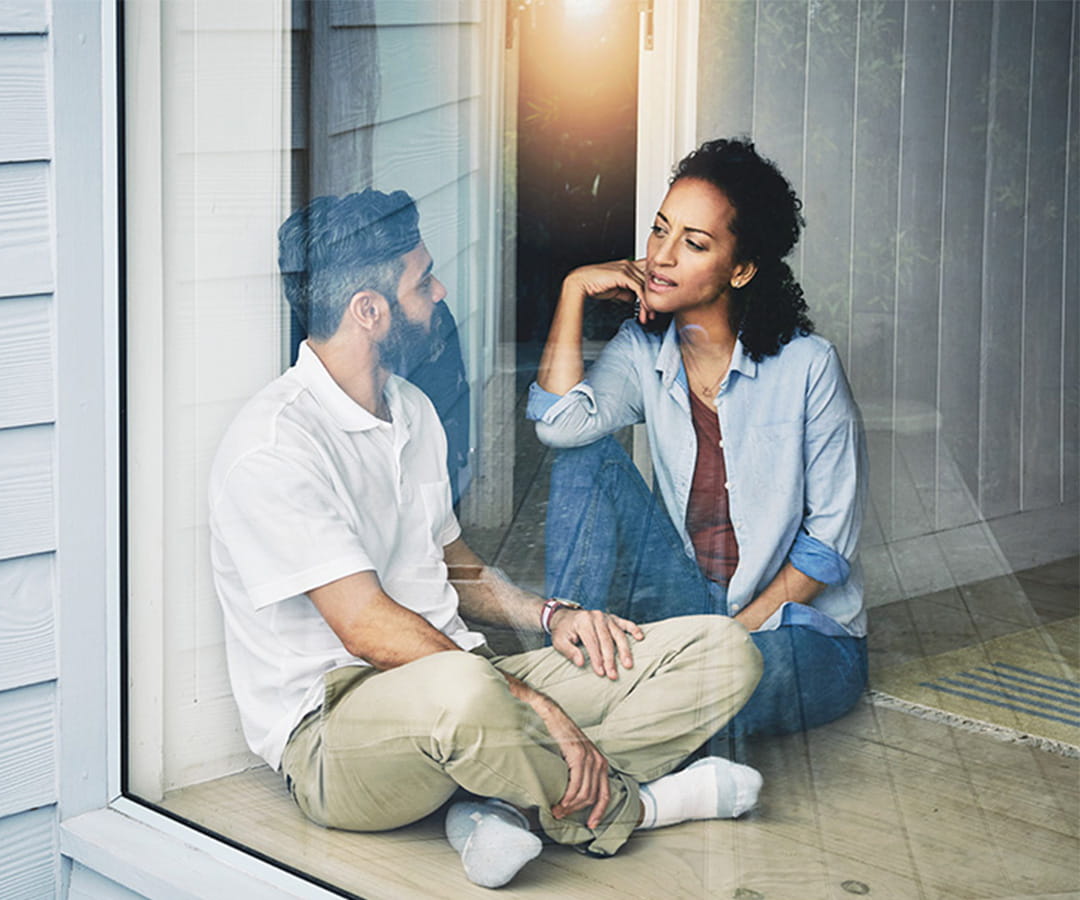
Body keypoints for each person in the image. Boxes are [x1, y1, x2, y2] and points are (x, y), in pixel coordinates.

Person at [208, 187, 764, 889]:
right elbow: (366, 629)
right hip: (336, 733)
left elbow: (455, 568)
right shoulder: (275, 447)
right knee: (471, 692)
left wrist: (552, 616)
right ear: (369, 311)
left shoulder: (410, 410)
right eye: (423, 282)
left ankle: (497, 801)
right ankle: (637, 808)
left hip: (466, 678)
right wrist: (533, 703)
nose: (440, 293)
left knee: (723, 652)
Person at [529, 138, 869, 743]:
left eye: (694, 243)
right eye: (660, 230)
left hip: (792, 631)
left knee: (733, 683)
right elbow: (559, 426)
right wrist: (573, 289)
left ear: (741, 269)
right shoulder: (643, 350)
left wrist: (727, 638)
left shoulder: (808, 367)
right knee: (585, 457)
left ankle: (595, 743)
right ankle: (573, 645)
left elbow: (827, 545)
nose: (661, 257)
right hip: (688, 602)